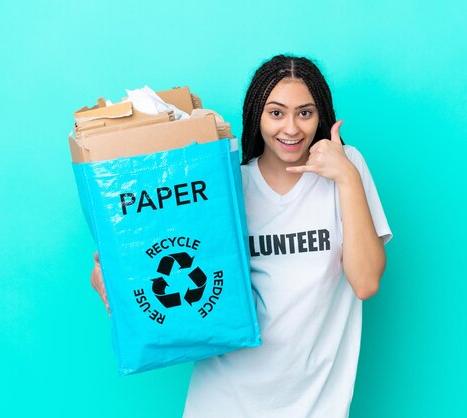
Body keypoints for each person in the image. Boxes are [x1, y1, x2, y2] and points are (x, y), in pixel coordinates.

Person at [91, 54, 392, 417]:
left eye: (305, 113)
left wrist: (345, 176)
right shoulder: (228, 186)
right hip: (224, 399)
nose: (292, 129)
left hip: (316, 404)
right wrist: (113, 278)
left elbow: (366, 282)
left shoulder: (348, 169)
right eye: (276, 113)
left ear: (321, 116)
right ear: (256, 116)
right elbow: (167, 254)